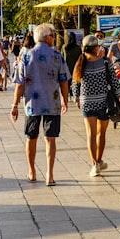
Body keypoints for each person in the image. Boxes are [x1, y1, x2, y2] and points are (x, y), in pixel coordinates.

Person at [11, 22, 71, 186]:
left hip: (32, 104)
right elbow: (64, 81)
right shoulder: (57, 56)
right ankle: (49, 174)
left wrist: (15, 104)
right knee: (50, 139)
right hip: (52, 103)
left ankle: (31, 171)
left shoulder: (26, 56)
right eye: (52, 35)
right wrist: (65, 100)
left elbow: (20, 83)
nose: (54, 38)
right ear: (46, 38)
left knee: (31, 137)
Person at [73, 34, 120, 176]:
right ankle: (99, 159)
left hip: (87, 103)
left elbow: (75, 82)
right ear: (96, 47)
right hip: (103, 102)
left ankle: (94, 164)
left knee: (90, 134)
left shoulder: (80, 61)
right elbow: (114, 82)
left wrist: (77, 98)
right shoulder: (105, 61)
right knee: (101, 133)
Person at [61, 32, 82, 97]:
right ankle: (75, 94)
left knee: (68, 81)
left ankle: (68, 94)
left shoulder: (64, 47)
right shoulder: (78, 48)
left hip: (67, 67)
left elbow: (62, 56)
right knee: (76, 81)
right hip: (76, 67)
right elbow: (81, 57)